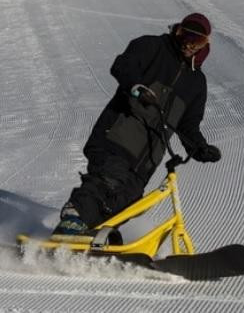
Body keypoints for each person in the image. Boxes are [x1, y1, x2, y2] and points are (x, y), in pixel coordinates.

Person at [51, 13, 221, 241]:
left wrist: (199, 147)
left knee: (131, 198)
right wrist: (135, 86)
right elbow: (123, 65)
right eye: (185, 35)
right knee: (108, 180)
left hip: (148, 156)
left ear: (205, 45)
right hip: (117, 136)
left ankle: (92, 233)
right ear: (177, 30)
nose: (189, 44)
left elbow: (188, 125)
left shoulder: (197, 82)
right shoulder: (153, 46)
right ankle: (75, 217)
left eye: (197, 41)